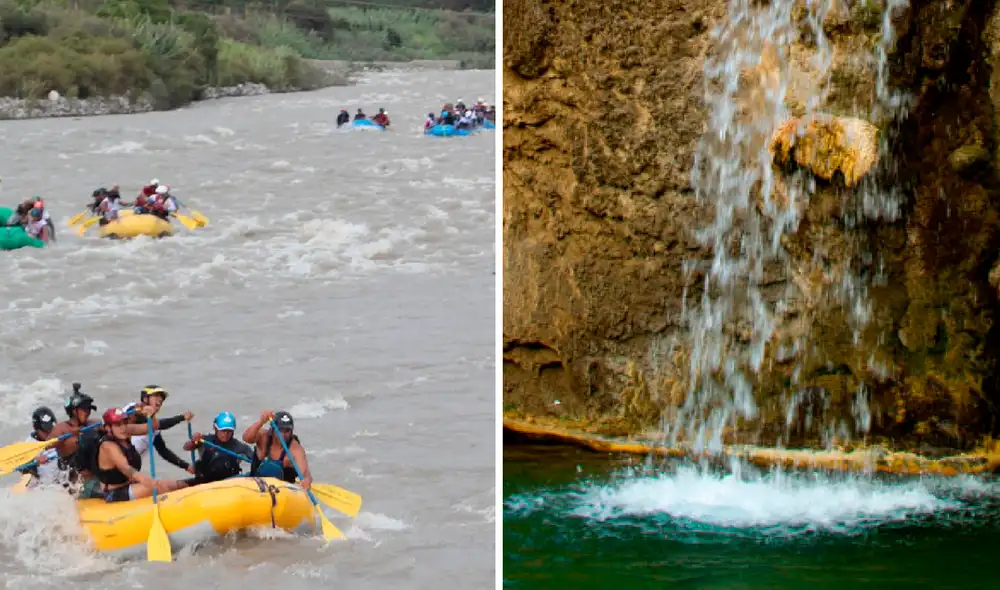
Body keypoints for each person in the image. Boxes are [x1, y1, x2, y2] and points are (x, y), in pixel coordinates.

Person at [94, 407, 189, 503]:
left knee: (178, 485)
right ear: (108, 428)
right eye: (118, 424)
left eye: (125, 422)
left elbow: (152, 427)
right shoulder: (107, 446)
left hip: (132, 484)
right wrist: (146, 481)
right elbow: (125, 468)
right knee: (158, 488)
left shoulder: (125, 430)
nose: (123, 427)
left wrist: (151, 416)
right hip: (114, 492)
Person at [122, 385, 195, 475]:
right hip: (113, 465)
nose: (160, 400)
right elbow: (157, 424)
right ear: (145, 398)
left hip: (128, 471)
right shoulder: (132, 409)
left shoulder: (155, 430)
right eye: (156, 396)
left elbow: (164, 452)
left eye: (162, 398)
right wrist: (182, 417)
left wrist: (187, 466)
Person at [243, 410, 312, 489]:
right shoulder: (263, 437)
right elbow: (246, 438)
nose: (283, 435)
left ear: (291, 431)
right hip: (254, 483)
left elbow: (305, 473)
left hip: (281, 491)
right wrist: (261, 422)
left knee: (272, 468)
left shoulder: (295, 449)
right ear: (272, 429)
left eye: (287, 431)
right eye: (280, 430)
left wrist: (306, 480)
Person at [184, 411, 254, 485]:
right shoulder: (204, 440)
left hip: (230, 484)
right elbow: (186, 447)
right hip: (204, 483)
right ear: (215, 428)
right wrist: (193, 441)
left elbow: (255, 461)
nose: (226, 434)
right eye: (223, 431)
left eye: (229, 431)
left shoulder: (240, 447)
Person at [21, 406, 62, 487]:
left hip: (59, 482)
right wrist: (34, 461)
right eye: (45, 430)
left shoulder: (57, 435)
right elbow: (22, 466)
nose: (49, 432)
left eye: (51, 429)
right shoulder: (28, 445)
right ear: (36, 428)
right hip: (41, 487)